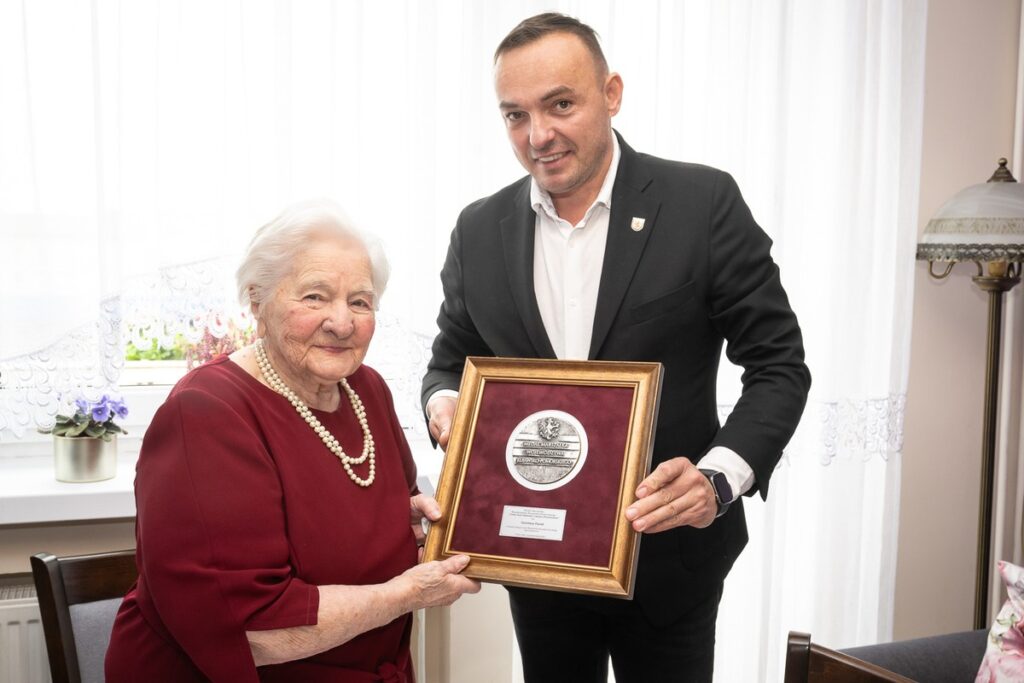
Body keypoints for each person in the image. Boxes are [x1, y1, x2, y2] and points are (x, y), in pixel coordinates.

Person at [421, 12, 811, 683]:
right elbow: (448, 359)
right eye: (515, 115)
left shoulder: (702, 203)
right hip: (536, 560)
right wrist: (445, 403)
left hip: (670, 560)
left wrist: (717, 479)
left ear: (612, 94)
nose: (538, 135)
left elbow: (778, 364)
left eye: (560, 105)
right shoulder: (478, 229)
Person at [106, 200, 480, 682]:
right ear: (257, 301)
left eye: (360, 302)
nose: (341, 322)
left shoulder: (366, 389)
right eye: (314, 297)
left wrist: (399, 522)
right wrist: (408, 593)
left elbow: (348, 513)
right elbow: (251, 630)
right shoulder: (205, 413)